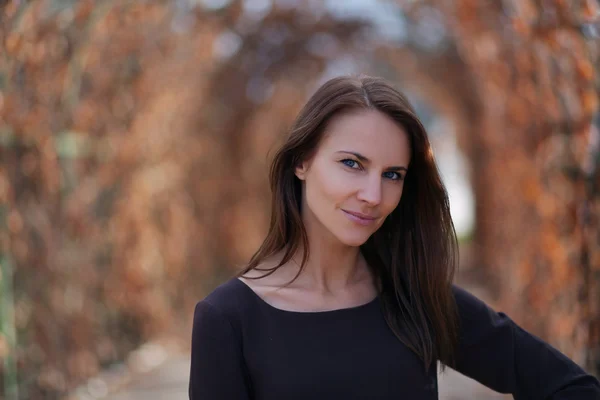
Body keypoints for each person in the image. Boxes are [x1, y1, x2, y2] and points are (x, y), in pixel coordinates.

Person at [188, 75, 600, 399]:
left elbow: (570, 387)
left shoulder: (414, 296)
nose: (372, 195)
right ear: (302, 161)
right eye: (352, 163)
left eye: (392, 175)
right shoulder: (228, 319)